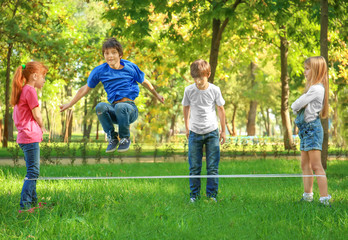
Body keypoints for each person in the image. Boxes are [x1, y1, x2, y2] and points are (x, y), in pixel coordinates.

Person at [60, 38, 164, 152]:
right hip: (114, 110)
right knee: (100, 106)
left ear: (120, 55)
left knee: (121, 106)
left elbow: (144, 82)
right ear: (104, 56)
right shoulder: (100, 71)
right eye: (107, 53)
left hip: (130, 110)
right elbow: (85, 88)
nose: (110, 56)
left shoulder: (130, 67)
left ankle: (124, 138)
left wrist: (157, 95)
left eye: (114, 52)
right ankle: (112, 138)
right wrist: (70, 104)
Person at [182, 59, 226, 203]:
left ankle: (212, 196)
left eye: (200, 77)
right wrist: (187, 127)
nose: (198, 81)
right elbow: (186, 108)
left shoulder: (215, 90)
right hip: (195, 132)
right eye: (195, 77)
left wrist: (223, 131)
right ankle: (194, 196)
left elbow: (220, 109)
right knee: (194, 167)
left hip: (212, 132)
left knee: (212, 167)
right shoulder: (189, 90)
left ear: (208, 74)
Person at [291, 56, 331, 206]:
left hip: (312, 130)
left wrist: (296, 106)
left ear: (316, 70)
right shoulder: (313, 89)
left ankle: (324, 199)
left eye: (307, 69)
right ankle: (307, 196)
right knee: (305, 165)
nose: (304, 72)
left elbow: (297, 104)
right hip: (306, 131)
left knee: (316, 165)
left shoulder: (316, 89)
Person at [10, 61, 48, 212]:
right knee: (33, 172)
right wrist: (43, 127)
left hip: (25, 136)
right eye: (43, 77)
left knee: (32, 171)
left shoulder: (22, 90)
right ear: (34, 76)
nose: (44, 80)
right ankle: (25, 206)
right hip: (30, 137)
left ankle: (33, 203)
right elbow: (36, 114)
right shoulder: (30, 91)